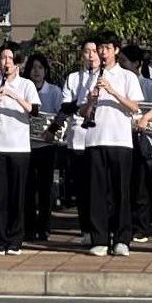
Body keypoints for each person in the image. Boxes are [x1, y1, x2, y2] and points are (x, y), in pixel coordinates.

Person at [82, 30, 143, 258]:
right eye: (100, 49)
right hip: (95, 139)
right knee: (97, 193)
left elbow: (135, 107)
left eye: (107, 48)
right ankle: (99, 239)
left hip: (120, 141)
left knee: (120, 192)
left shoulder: (127, 77)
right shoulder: (90, 77)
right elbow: (81, 111)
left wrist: (113, 91)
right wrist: (90, 100)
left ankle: (121, 239)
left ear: (116, 50)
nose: (102, 53)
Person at [0, 46, 37, 256]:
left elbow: (35, 110)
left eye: (10, 58)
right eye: (3, 58)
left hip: (19, 147)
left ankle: (15, 240)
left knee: (16, 195)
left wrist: (13, 95)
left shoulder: (26, 84)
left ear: (18, 62)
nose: (6, 62)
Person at [120, 43, 152, 244]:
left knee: (140, 185)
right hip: (120, 137)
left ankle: (141, 226)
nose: (120, 65)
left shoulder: (146, 84)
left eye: (123, 61)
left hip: (140, 138)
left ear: (137, 63)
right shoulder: (117, 82)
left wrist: (146, 118)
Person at [60, 40, 100, 247]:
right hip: (77, 138)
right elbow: (65, 107)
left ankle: (101, 229)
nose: (91, 55)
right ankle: (86, 229)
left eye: (95, 51)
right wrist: (83, 102)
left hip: (100, 136)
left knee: (99, 187)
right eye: (87, 52)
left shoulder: (106, 77)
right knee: (82, 189)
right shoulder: (74, 78)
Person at [21, 51, 63, 242]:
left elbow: (61, 115)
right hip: (26, 145)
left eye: (40, 68)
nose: (36, 72)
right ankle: (29, 227)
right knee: (28, 189)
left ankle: (44, 227)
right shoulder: (23, 89)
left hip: (46, 144)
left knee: (45, 188)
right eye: (33, 68)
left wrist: (51, 131)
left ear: (45, 71)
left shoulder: (53, 91)